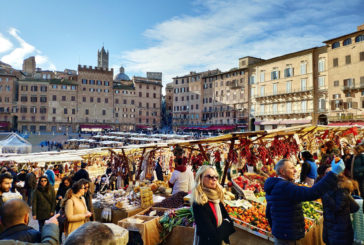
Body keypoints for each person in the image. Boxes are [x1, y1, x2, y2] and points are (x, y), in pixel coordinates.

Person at [264, 158, 345, 245]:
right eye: (291, 168)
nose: (295, 170)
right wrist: (333, 174)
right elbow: (312, 193)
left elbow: (268, 212)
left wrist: (277, 229)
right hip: (288, 237)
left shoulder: (275, 185)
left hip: (282, 234)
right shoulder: (285, 186)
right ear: (282, 171)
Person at [191, 165, 235, 245]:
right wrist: (226, 223)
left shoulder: (217, 198)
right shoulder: (199, 203)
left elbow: (231, 224)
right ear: (200, 178)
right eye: (210, 176)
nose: (214, 179)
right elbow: (213, 237)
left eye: (216, 177)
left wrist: (222, 228)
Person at [322, 171, 360, 245]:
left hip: (335, 234)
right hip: (342, 233)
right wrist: (346, 210)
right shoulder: (343, 191)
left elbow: (336, 208)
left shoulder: (329, 193)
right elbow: (355, 207)